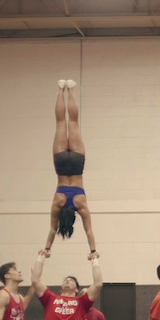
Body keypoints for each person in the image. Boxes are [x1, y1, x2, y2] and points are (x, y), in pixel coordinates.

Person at [45, 80, 97, 259]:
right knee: (61, 122)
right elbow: (52, 229)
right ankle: (61, 89)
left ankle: (71, 89)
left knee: (72, 122)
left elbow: (89, 230)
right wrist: (47, 248)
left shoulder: (80, 205)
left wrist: (93, 251)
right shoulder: (57, 204)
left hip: (76, 164)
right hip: (61, 165)